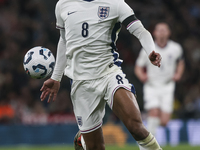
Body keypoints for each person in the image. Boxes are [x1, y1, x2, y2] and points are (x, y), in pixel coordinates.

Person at [40, 0, 162, 150]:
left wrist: (150, 50)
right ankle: (84, 141)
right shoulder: (63, 4)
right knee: (96, 147)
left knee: (136, 126)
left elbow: (140, 31)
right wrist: (56, 77)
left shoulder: (115, 3)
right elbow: (64, 40)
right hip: (80, 82)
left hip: (108, 73)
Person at [134, 22, 185, 137]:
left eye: (164, 30)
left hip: (167, 85)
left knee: (164, 121)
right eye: (159, 30)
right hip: (152, 85)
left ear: (169, 33)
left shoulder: (176, 48)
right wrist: (142, 76)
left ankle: (146, 119)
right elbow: (138, 67)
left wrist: (178, 74)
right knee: (154, 111)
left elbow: (181, 62)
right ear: (154, 33)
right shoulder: (148, 49)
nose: (162, 32)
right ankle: (151, 143)